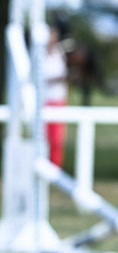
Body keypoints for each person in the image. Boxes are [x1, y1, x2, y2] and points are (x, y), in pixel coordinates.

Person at [43, 26, 68, 168]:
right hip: (45, 99)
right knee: (44, 137)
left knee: (57, 138)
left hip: (58, 98)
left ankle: (55, 167)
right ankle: (45, 165)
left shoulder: (59, 53)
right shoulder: (40, 54)